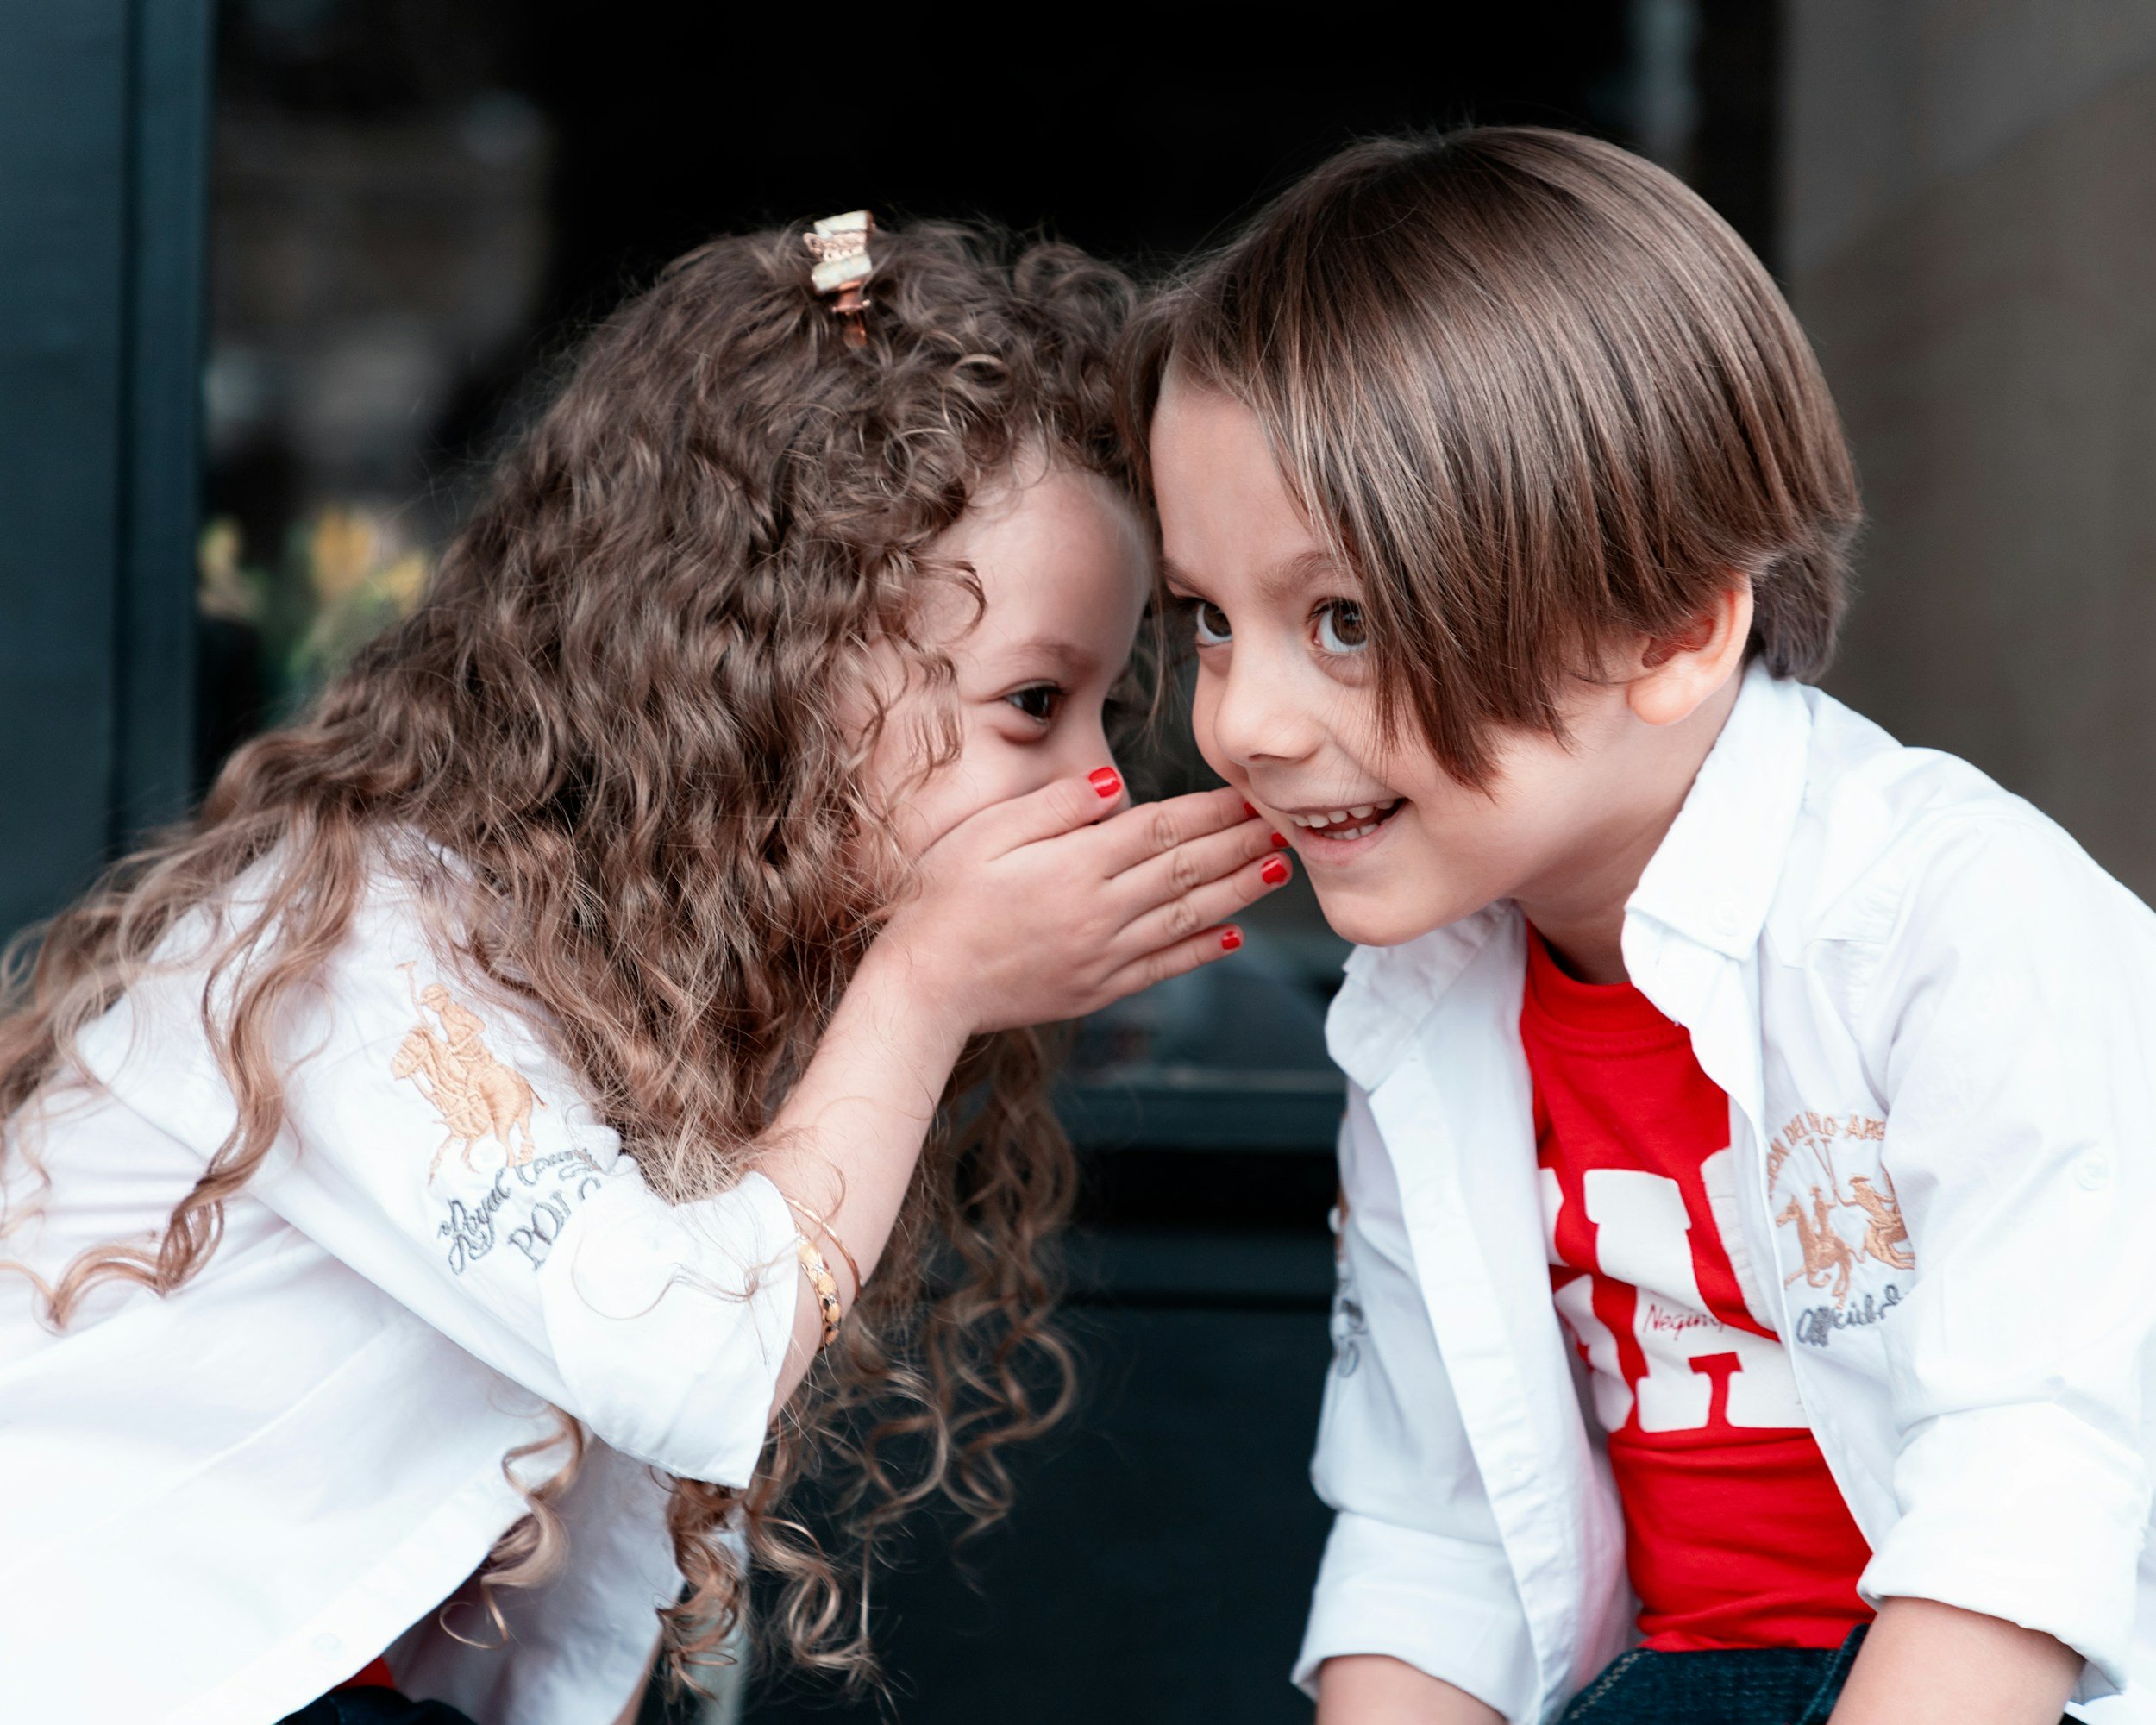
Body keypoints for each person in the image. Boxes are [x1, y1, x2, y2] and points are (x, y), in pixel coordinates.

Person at [0, 216, 1292, 1725]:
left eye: (1104, 705)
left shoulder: (657, 970)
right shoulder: (362, 942)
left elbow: (595, 1585)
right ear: (772, 660)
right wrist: (929, 984)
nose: (1096, 784)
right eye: (1033, 704)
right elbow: (685, 1360)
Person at [1123, 128, 2156, 1724]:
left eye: (1344, 621)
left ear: (1674, 626)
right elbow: (1432, 1539)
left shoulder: (1958, 925)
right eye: (1210, 617)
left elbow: (2032, 1509)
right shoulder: (1426, 1001)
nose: (1243, 722)